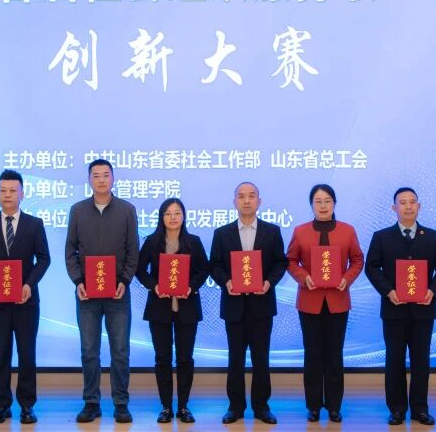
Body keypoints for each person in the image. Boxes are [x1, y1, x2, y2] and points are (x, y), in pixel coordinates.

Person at [364, 187, 436, 426]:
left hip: (423, 309)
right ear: (394, 208)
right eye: (402, 202)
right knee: (394, 360)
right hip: (394, 309)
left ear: (419, 206)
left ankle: (420, 409)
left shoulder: (433, 237)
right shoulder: (382, 237)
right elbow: (371, 267)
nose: (408, 206)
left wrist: (432, 291)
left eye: (412, 202)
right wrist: (388, 291)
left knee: (420, 361)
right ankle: (396, 409)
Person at [0, 170, 50, 424]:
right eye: (2, 190)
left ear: (22, 194)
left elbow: (44, 259)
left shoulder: (34, 224)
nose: (7, 195)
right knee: (1, 353)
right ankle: (2, 404)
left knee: (27, 353)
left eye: (13, 190)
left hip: (26, 301)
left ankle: (27, 405)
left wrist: (29, 284)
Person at [65, 159, 139, 423]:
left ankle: (121, 403)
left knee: (120, 351)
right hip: (87, 294)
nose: (101, 180)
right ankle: (91, 402)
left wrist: (125, 281)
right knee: (89, 351)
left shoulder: (127, 210)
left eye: (106, 175)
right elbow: (70, 251)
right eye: (95, 175)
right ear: (89, 180)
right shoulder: (77, 211)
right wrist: (78, 281)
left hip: (118, 293)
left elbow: (133, 251)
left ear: (113, 178)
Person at [209, 181, 288, 425]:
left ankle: (262, 406)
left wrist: (269, 282)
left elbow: (280, 263)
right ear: (234, 202)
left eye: (251, 196)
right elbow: (215, 265)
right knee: (235, 358)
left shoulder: (272, 231)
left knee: (261, 357)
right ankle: (235, 407)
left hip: (262, 304)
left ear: (259, 201)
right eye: (241, 196)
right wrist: (226, 282)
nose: (246, 200)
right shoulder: (222, 233)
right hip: (233, 306)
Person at [286, 184, 364, 423]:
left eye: (327, 201)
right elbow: (290, 261)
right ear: (311, 205)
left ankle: (334, 406)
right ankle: (313, 405)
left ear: (334, 203)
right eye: (318, 201)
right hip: (309, 301)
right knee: (312, 354)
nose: (323, 206)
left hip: (338, 300)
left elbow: (358, 260)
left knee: (334, 354)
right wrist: (304, 278)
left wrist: (346, 278)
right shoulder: (300, 231)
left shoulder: (347, 231)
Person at [136, 198, 209, 424]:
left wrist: (190, 287)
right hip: (159, 308)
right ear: (161, 217)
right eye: (168, 213)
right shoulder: (152, 242)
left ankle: (184, 406)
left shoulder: (193, 242)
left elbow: (204, 270)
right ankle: (166, 407)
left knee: (185, 358)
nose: (173, 217)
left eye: (177, 213)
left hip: (187, 308)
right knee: (163, 358)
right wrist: (155, 286)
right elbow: (140, 270)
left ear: (184, 216)